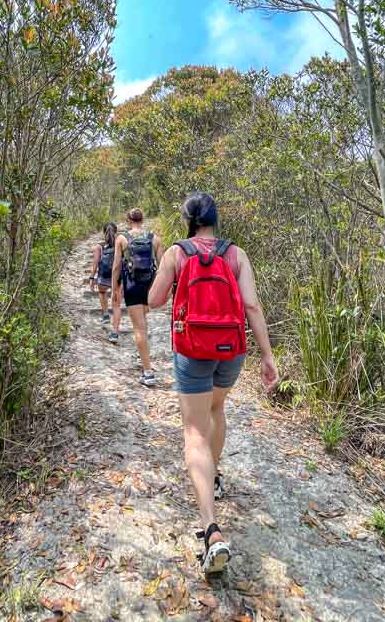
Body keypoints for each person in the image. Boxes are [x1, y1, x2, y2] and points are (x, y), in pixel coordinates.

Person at [148, 192, 278, 574]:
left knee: (193, 433)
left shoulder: (177, 252)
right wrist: (268, 356)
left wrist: (169, 276)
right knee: (217, 409)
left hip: (193, 349)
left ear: (188, 220)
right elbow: (252, 306)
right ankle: (215, 474)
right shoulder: (236, 254)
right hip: (231, 349)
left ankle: (211, 530)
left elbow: (155, 300)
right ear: (215, 220)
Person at [110, 208, 162, 387]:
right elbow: (162, 268)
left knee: (138, 328)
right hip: (149, 286)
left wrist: (114, 289)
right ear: (143, 219)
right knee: (142, 323)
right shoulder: (154, 239)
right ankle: (142, 353)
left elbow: (116, 267)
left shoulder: (122, 239)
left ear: (127, 220)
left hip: (132, 285)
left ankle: (148, 373)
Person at [88, 222, 119, 325]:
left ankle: (105, 315)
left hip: (103, 276)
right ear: (116, 232)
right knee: (117, 295)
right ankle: (116, 316)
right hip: (117, 276)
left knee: (102, 293)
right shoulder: (120, 244)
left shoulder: (99, 246)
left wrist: (92, 278)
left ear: (103, 232)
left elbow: (95, 263)